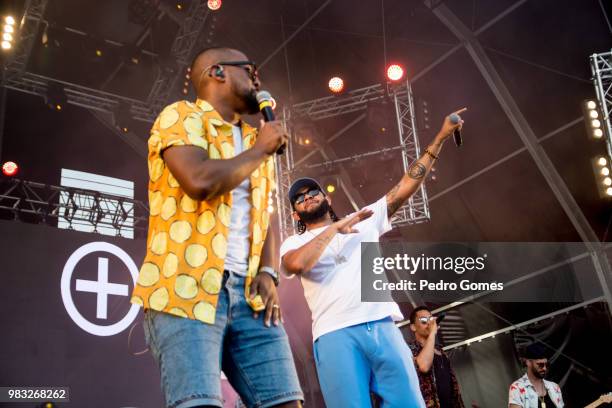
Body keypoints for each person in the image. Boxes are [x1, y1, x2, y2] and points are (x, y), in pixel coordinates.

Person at [130, 46, 303, 408]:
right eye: (251, 70)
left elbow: (264, 214)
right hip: (186, 291)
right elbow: (199, 181)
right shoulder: (181, 116)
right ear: (218, 72)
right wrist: (260, 151)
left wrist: (270, 273)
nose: (259, 80)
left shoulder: (258, 140)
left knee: (287, 402)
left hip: (253, 301)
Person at [279, 109, 466, 407]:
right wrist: (335, 228)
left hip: (382, 326)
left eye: (312, 191)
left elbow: (405, 187)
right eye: (299, 198)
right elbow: (295, 265)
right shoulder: (294, 241)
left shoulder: (365, 219)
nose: (307, 197)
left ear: (326, 198)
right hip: (334, 334)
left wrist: (441, 136)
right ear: (295, 213)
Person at [408, 306, 464, 408]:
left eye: (430, 319)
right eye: (423, 320)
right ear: (413, 327)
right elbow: (423, 366)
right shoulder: (410, 350)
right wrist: (432, 333)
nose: (429, 323)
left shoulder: (441, 352)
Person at [509, 343, 564, 408]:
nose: (544, 368)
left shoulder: (554, 387)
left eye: (546, 364)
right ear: (528, 362)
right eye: (540, 365)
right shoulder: (517, 388)